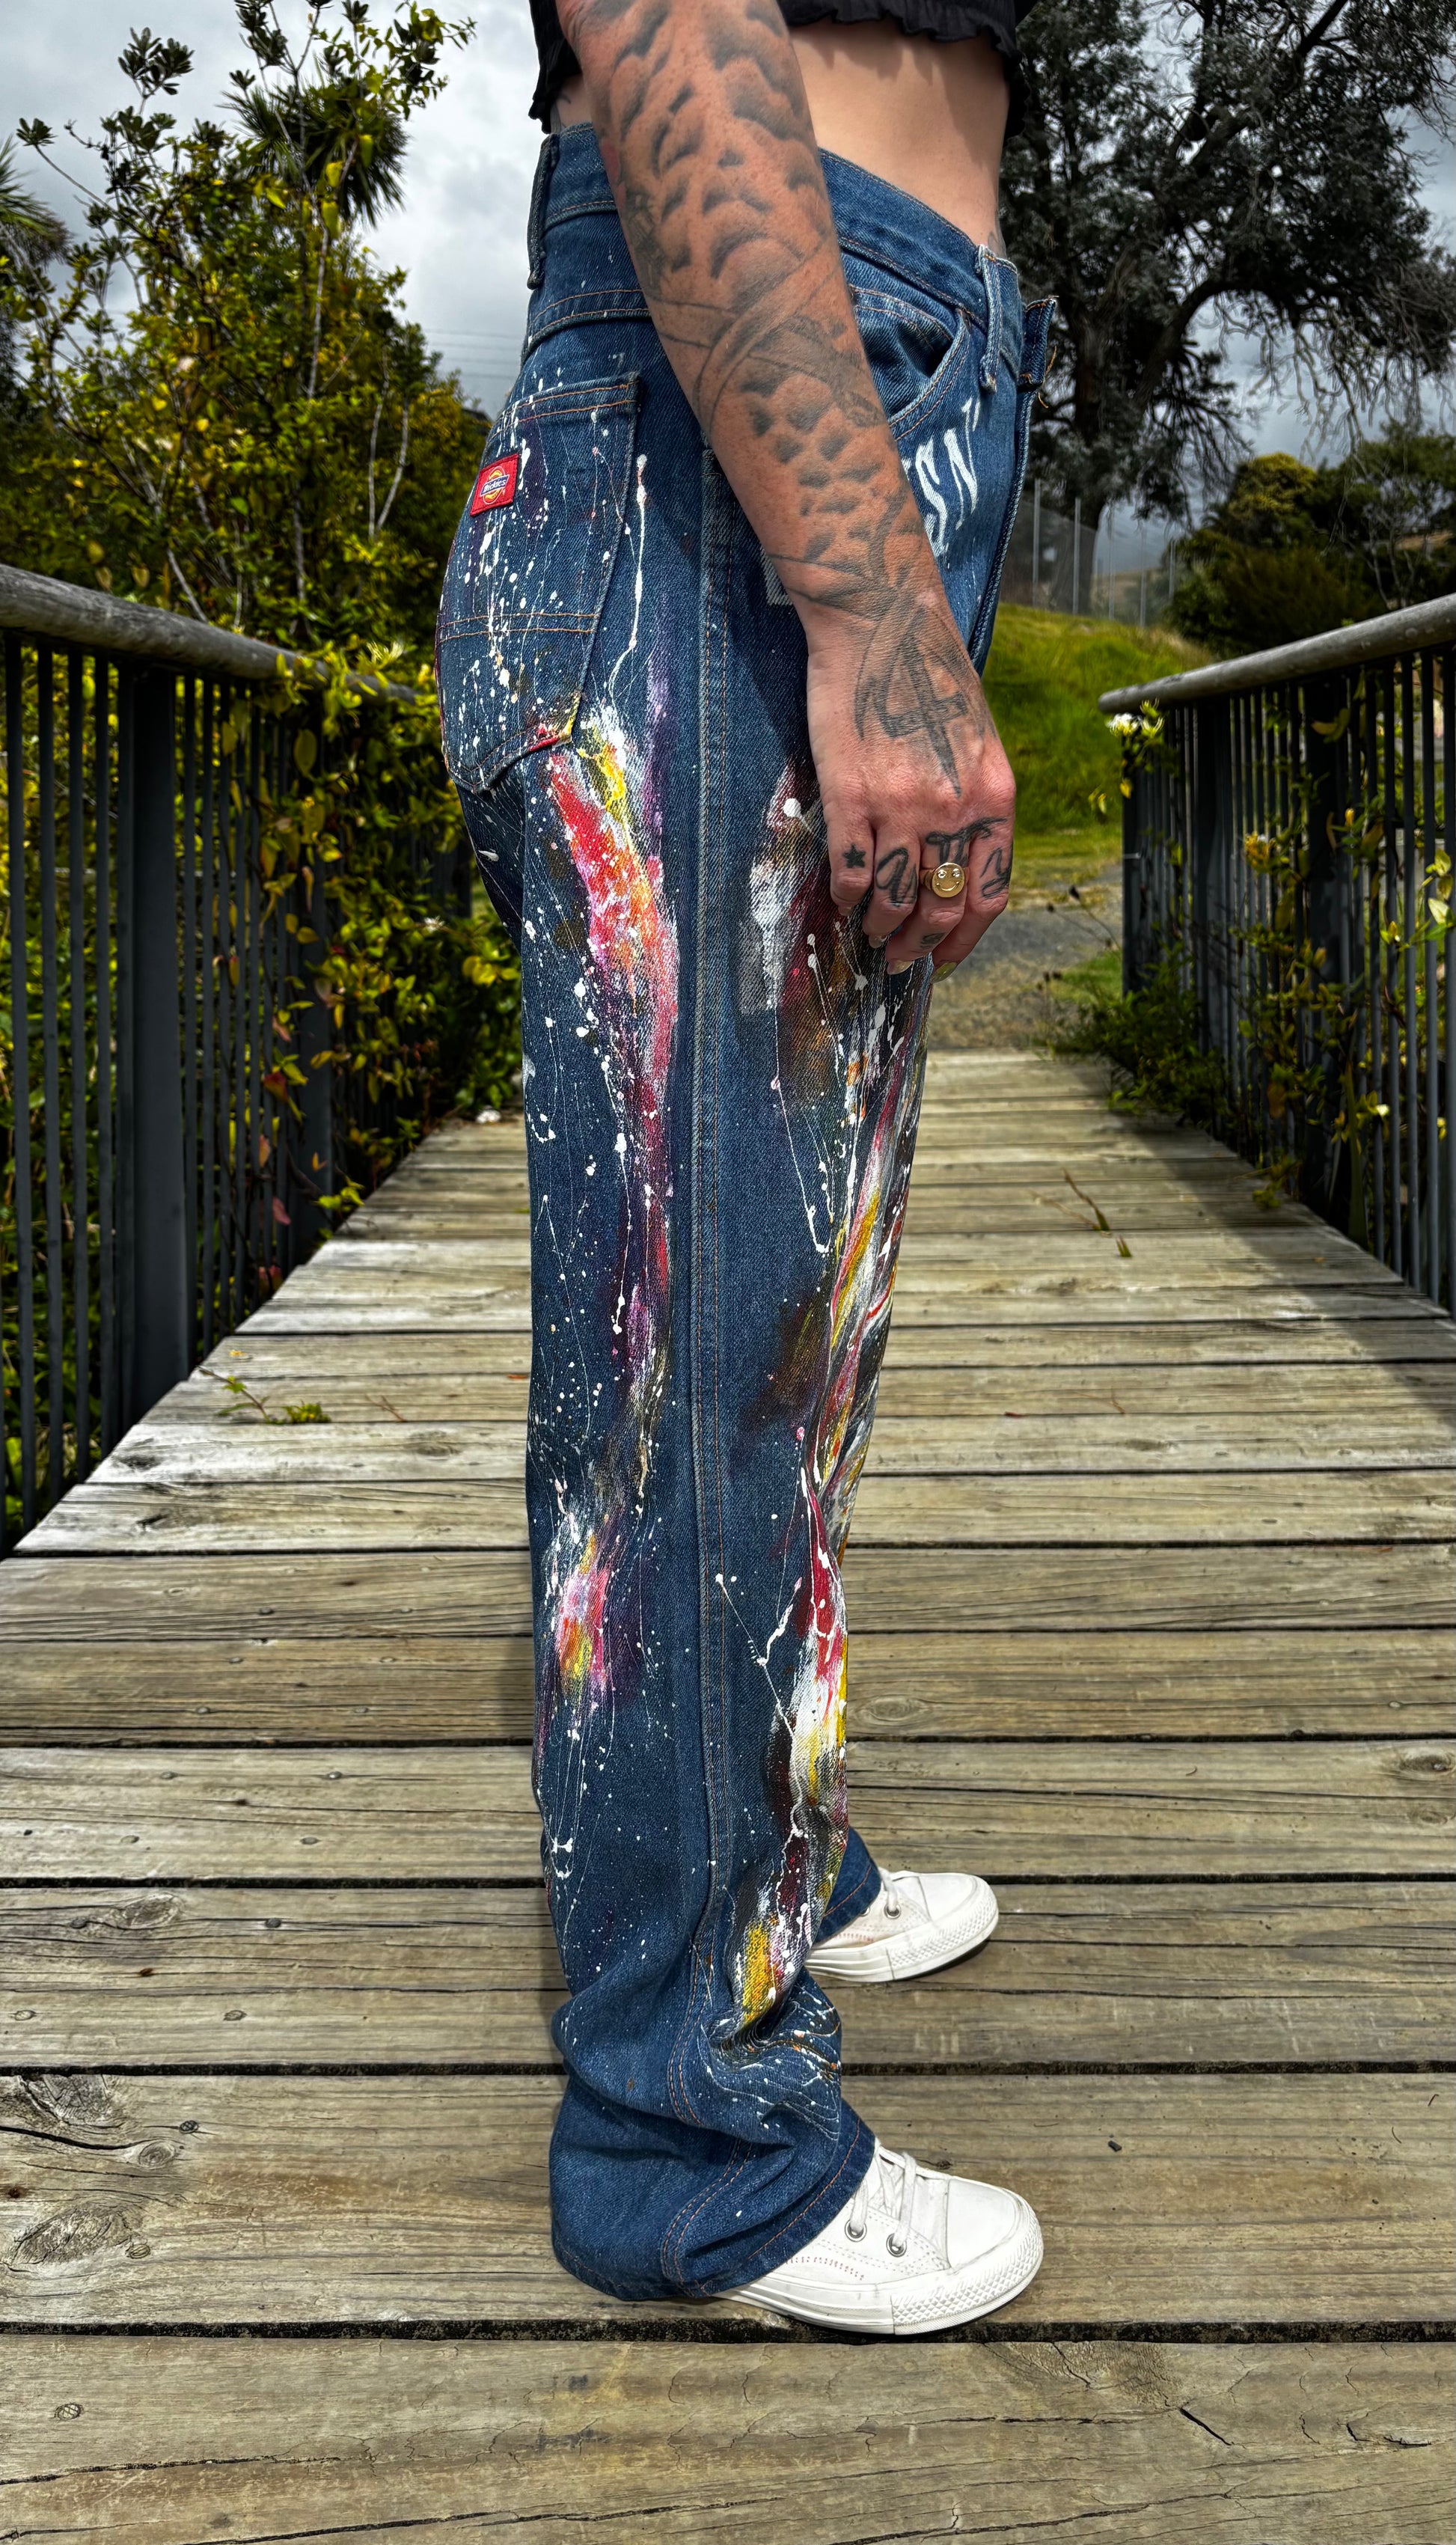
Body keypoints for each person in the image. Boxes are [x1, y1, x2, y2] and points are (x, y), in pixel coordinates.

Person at [436, 0, 1050, 2335]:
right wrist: (871, 599)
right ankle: (688, 2140)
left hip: (854, 370)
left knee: (788, 1314)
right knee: (691, 1360)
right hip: (737, 407)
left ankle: (763, 1871)